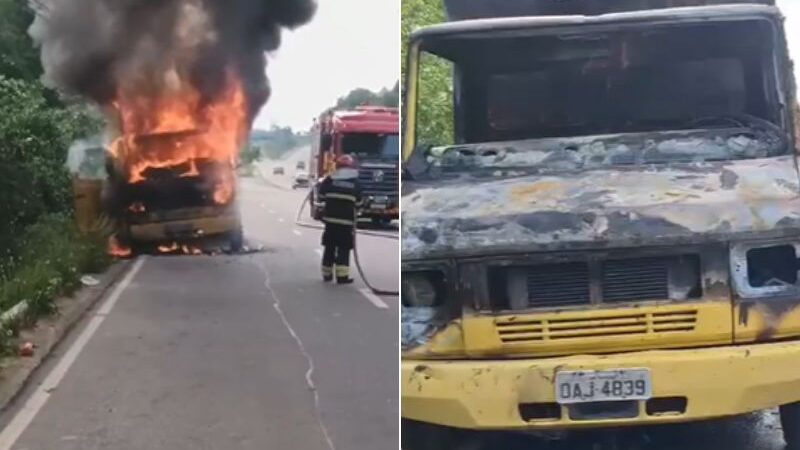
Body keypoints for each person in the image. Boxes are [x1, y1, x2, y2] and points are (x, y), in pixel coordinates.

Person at [318, 154, 361, 284]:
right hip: (346, 222)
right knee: (343, 248)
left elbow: (320, 196)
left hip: (330, 222)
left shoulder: (330, 179)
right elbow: (359, 203)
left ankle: (327, 275)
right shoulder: (355, 183)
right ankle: (342, 277)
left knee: (329, 247)